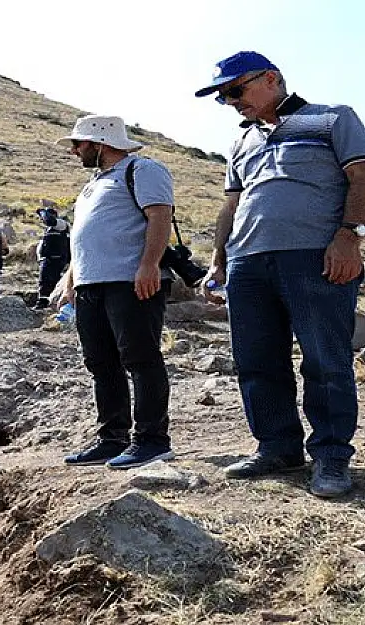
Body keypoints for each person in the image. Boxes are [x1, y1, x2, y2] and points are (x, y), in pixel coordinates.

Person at [194, 52, 365, 497]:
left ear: (269, 78)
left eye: (235, 90)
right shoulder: (241, 143)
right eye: (221, 96)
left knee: (325, 360)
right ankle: (277, 448)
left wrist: (349, 237)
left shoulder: (332, 119)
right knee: (256, 360)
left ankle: (330, 457)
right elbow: (232, 203)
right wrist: (218, 258)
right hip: (248, 263)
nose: (229, 101)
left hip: (315, 257)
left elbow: (362, 176)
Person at [55, 114, 176, 470]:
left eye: (78, 144)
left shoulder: (142, 170)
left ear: (99, 143)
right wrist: (70, 280)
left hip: (130, 280)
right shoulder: (93, 184)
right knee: (101, 363)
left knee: (140, 358)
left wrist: (149, 264)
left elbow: (160, 216)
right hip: (92, 285)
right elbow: (83, 236)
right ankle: (111, 439)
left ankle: (152, 440)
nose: (74, 151)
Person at [33, 207, 71, 310]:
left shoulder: (62, 224)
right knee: (44, 282)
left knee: (54, 282)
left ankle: (53, 304)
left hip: (58, 260)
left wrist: (40, 211)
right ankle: (43, 303)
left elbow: (49, 220)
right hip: (48, 259)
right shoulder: (49, 229)